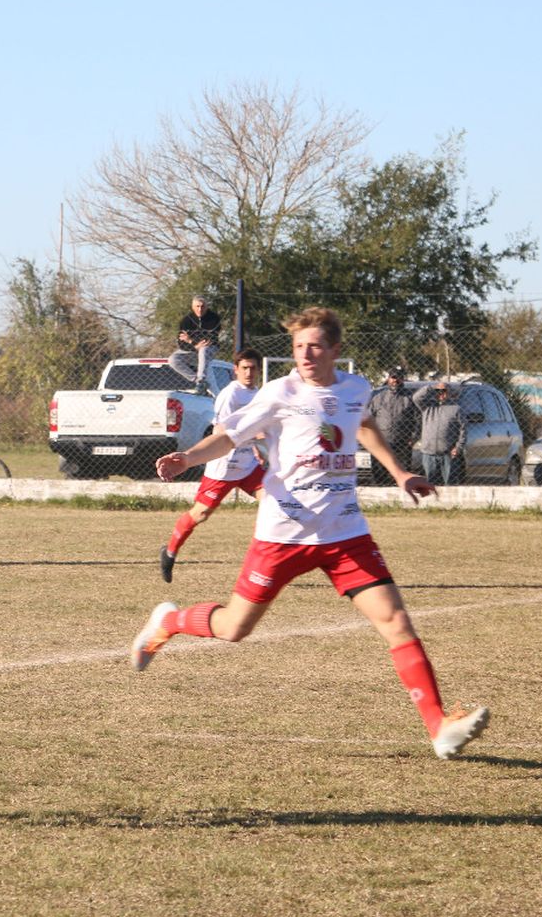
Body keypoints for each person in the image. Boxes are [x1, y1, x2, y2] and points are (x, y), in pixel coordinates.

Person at [132, 306, 490, 760]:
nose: (305, 354)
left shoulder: (355, 388)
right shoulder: (279, 392)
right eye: (299, 346)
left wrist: (400, 473)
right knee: (234, 627)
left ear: (335, 350)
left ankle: (439, 726)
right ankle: (169, 621)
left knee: (396, 622)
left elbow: (364, 427)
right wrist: (187, 458)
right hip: (283, 532)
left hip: (344, 532)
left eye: (315, 346)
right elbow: (229, 436)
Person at [158, 348, 265, 583]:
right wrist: (256, 437)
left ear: (259, 370)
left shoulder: (260, 394)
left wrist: (258, 446)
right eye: (244, 368)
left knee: (273, 505)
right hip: (224, 466)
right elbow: (221, 432)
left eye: (253, 368)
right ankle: (169, 552)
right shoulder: (230, 395)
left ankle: (258, 567)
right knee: (201, 514)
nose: (249, 372)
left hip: (248, 466)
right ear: (235, 370)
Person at [367, 367, 418, 483]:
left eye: (398, 377)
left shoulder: (409, 398)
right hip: (381, 441)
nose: (395, 380)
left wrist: (413, 437)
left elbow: (418, 420)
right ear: (388, 379)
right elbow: (369, 418)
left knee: (403, 475)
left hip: (402, 442)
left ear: (403, 379)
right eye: (393, 377)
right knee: (379, 475)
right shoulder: (378, 397)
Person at [412, 380, 465, 485]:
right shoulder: (427, 407)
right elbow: (416, 398)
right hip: (428, 453)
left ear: (449, 392)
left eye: (444, 391)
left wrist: (458, 447)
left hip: (447, 454)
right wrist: (432, 387)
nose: (441, 393)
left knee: (450, 484)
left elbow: (463, 430)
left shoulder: (456, 409)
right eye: (439, 391)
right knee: (430, 483)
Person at [168, 295, 221, 394]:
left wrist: (190, 340)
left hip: (209, 350)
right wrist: (194, 345)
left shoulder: (214, 318)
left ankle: (201, 380)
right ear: (193, 307)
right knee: (173, 359)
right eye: (197, 306)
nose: (200, 309)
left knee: (204, 349)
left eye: (202, 306)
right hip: (192, 351)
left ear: (206, 307)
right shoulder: (186, 321)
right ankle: (198, 381)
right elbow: (181, 343)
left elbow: (208, 340)